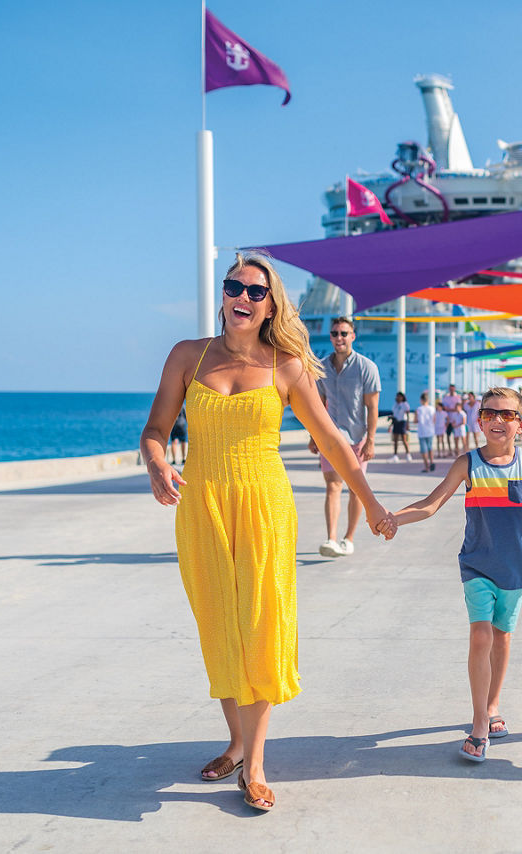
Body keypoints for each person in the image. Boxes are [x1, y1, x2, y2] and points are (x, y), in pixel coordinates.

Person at [140, 252, 397, 812]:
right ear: (223, 294)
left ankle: (254, 764)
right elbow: (156, 428)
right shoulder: (188, 355)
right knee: (219, 625)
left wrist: (372, 503)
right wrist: (158, 462)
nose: (243, 297)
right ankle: (236, 741)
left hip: (264, 507)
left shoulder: (287, 365)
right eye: (235, 287)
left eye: (256, 292)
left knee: (260, 627)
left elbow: (331, 440)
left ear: (270, 305)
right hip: (202, 507)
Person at [391, 388, 522, 761]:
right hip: (477, 565)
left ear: (521, 425)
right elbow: (432, 503)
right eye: (490, 413)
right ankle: (479, 723)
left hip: (515, 568)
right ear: (478, 420)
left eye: (507, 415)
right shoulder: (468, 464)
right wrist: (392, 518)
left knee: (502, 637)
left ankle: (493, 704)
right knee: (481, 636)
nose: (498, 420)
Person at [307, 316, 382, 558]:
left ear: (353, 336)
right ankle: (330, 539)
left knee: (356, 489)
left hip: (357, 438)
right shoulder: (321, 367)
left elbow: (372, 407)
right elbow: (317, 404)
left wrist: (371, 440)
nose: (339, 337)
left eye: (344, 333)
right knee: (332, 485)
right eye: (335, 333)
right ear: (330, 337)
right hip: (329, 438)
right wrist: (313, 435)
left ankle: (348, 539)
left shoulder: (366, 367)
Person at [415, 390, 436, 472]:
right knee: (430, 448)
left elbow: (415, 420)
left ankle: (426, 466)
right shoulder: (432, 409)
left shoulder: (419, 409)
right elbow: (434, 420)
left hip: (422, 431)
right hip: (430, 430)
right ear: (428, 400)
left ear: (421, 400)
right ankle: (432, 462)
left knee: (424, 450)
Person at [390, 391, 412, 462]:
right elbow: (394, 415)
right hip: (396, 422)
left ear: (402, 397)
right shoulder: (395, 405)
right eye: (397, 396)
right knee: (395, 440)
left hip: (402, 422)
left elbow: (408, 415)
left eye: (399, 396)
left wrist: (408, 424)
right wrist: (391, 424)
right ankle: (395, 455)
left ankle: (408, 454)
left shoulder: (405, 404)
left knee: (404, 439)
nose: (397, 398)